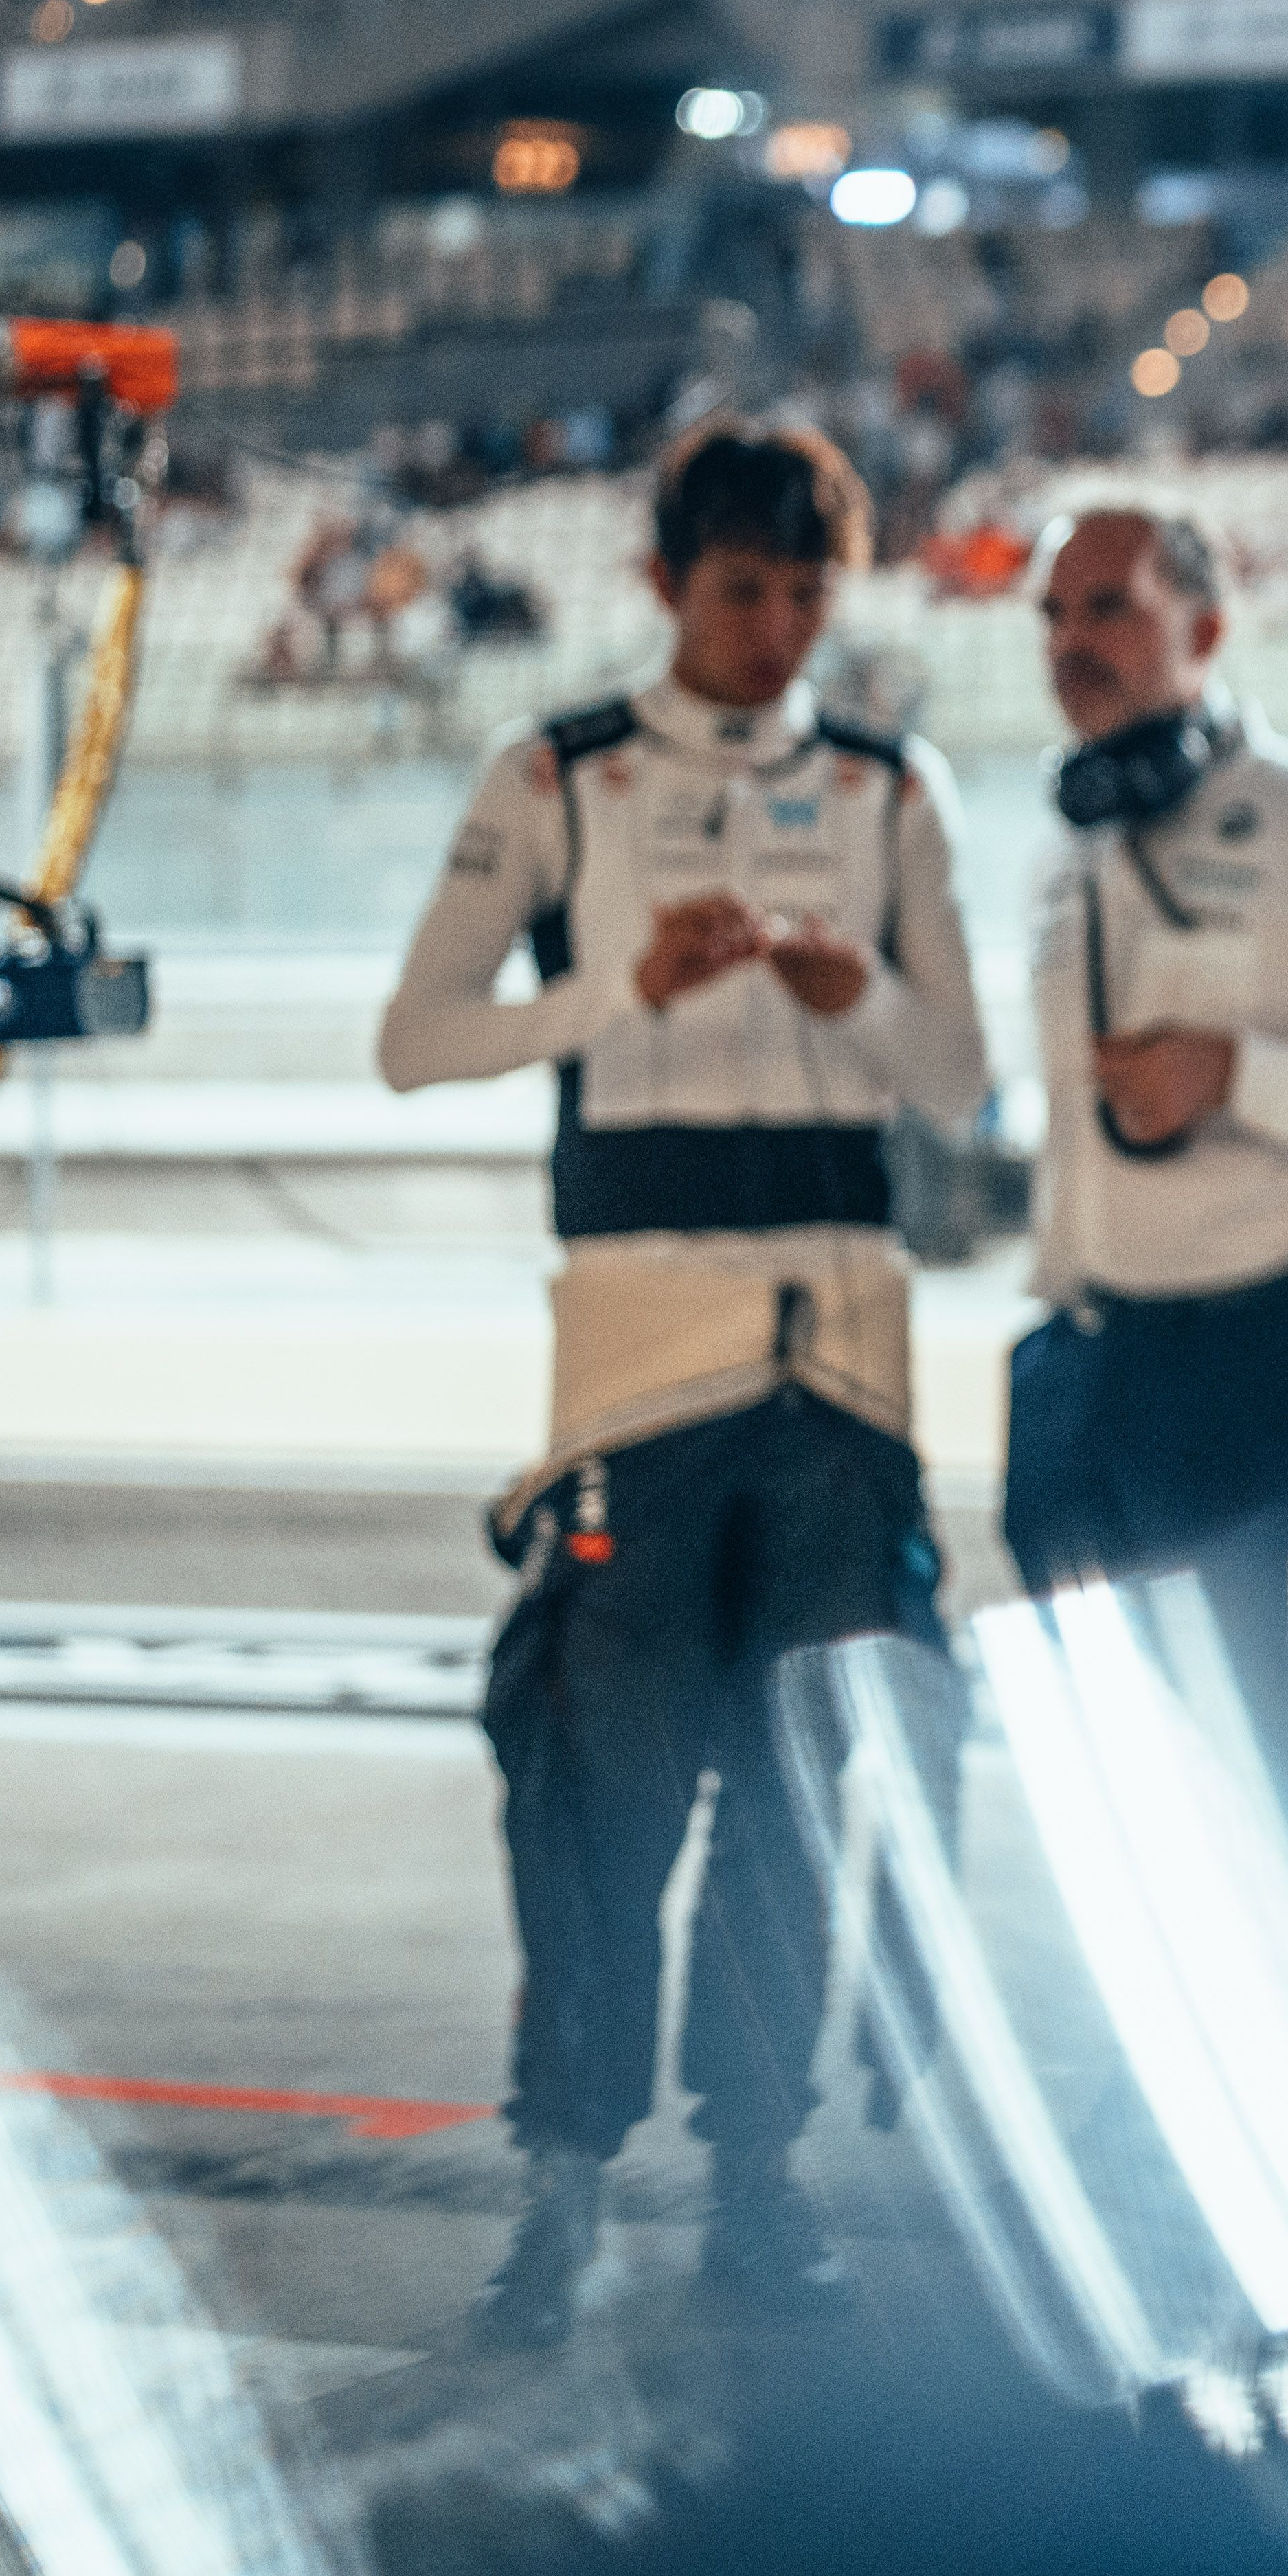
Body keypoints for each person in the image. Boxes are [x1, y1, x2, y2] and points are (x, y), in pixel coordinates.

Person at [373, 418, 988, 2351]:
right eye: (741, 590)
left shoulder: (890, 785)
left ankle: (757, 2180)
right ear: (661, 582)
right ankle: (560, 2186)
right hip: (635, 1366)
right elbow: (414, 1039)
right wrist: (619, 992)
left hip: (844, 1366)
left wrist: (848, 993)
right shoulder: (555, 770)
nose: (776, 628)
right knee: (596, 1788)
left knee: (797, 1799)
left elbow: (963, 1081)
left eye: (806, 592)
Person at [1008, 501, 1288, 1855]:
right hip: (1078, 1376)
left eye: (1108, 606)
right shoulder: (1062, 851)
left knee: (1273, 1788)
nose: (1070, 641)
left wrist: (1239, 1075)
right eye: (1052, 614)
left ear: (1207, 624)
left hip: (1253, 1372)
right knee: (1117, 1801)